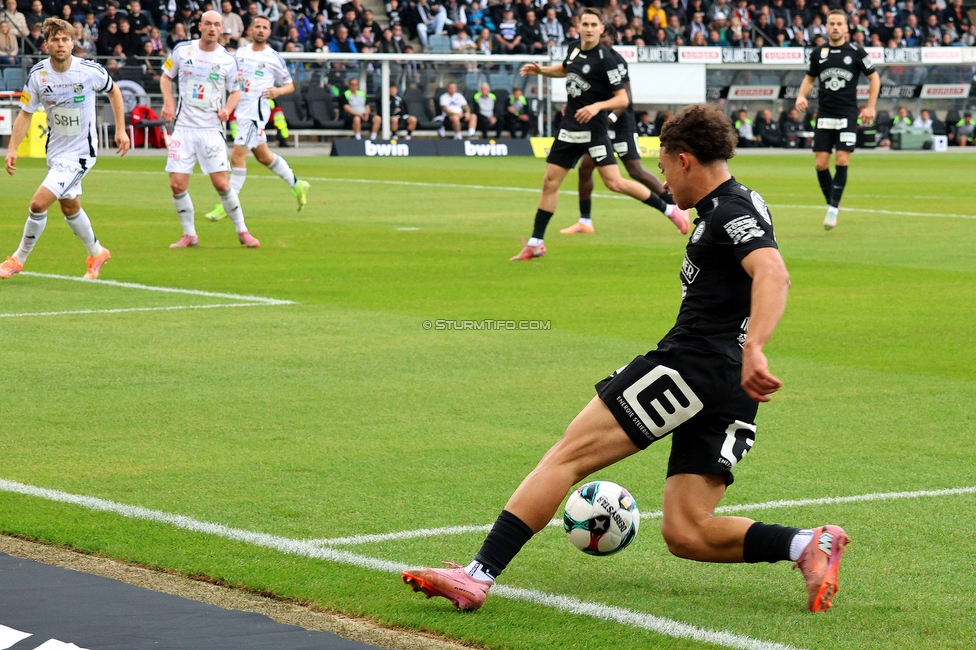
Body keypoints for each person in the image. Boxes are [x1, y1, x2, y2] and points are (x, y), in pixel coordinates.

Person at [402, 104, 850, 614]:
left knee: (566, 456)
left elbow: (774, 273)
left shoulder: (729, 210)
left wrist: (756, 347)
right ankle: (807, 545)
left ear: (684, 160)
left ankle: (476, 575)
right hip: (727, 382)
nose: (661, 178)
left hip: (692, 365)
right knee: (686, 531)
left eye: (662, 167)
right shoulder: (740, 204)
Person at [507, 9, 685, 262]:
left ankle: (668, 209)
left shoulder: (606, 59)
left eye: (594, 25)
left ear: (601, 29)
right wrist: (542, 71)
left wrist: (596, 107)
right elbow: (567, 69)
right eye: (585, 24)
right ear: (577, 27)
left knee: (615, 183)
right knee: (550, 182)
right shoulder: (573, 48)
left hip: (594, 130)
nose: (589, 28)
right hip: (569, 129)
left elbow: (622, 97)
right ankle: (536, 243)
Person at [1, 18, 130, 282]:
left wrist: (120, 129)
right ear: (46, 44)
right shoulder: (38, 75)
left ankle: (17, 259)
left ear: (72, 43)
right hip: (56, 152)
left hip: (81, 153)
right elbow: (25, 114)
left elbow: (115, 92)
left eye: (65, 40)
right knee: (70, 208)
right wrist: (12, 147)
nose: (60, 45)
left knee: (38, 204)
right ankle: (97, 252)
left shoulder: (89, 70)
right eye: (55, 40)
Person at [565, 26, 689, 237]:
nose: (601, 39)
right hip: (600, 124)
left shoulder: (616, 61)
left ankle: (676, 206)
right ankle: (585, 220)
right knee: (585, 168)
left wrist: (611, 118)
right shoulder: (592, 59)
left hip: (620, 124)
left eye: (605, 36)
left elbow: (626, 97)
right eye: (599, 36)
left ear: (614, 38)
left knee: (635, 171)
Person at [162, 10, 260, 249]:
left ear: (221, 28)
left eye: (217, 25)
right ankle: (189, 235)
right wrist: (168, 102)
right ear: (200, 26)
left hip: (210, 129)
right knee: (176, 184)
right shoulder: (182, 51)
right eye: (208, 24)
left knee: (222, 184)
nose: (213, 28)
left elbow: (236, 91)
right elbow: (166, 77)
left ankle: (242, 231)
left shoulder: (227, 59)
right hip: (184, 128)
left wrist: (227, 108)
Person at [204, 15, 309, 222]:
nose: (261, 30)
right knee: (264, 156)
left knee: (237, 157)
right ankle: (297, 184)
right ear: (251, 30)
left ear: (269, 32)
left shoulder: (273, 57)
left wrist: (277, 91)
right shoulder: (240, 53)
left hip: (255, 114)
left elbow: (289, 86)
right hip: (241, 111)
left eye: (265, 28)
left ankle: (227, 205)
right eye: (257, 26)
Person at [795, 9, 879, 230]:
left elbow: (874, 79)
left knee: (842, 160)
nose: (835, 27)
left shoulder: (857, 52)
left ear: (846, 27)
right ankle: (832, 202)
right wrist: (801, 95)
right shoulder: (818, 53)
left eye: (839, 23)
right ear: (826, 26)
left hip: (848, 114)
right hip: (824, 115)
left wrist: (870, 107)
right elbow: (809, 79)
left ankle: (832, 209)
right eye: (831, 23)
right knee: (821, 163)